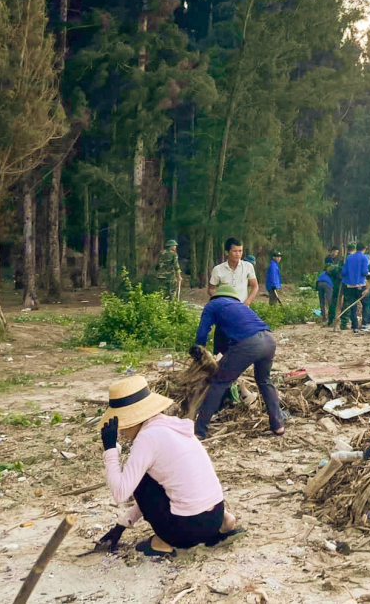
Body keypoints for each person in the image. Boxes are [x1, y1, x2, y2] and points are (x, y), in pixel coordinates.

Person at [95, 375, 241, 557]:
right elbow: (164, 489)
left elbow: (120, 493)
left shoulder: (147, 438)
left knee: (141, 482)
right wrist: (123, 524)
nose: (122, 433)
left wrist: (110, 450)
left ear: (134, 420)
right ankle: (227, 521)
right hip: (217, 517)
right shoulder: (174, 426)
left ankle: (163, 543)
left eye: (122, 426)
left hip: (187, 532)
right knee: (164, 478)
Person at [192, 284, 284, 439]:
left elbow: (202, 333)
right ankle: (278, 425)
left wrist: (198, 355)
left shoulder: (212, 305)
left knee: (219, 381)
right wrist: (220, 356)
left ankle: (199, 431)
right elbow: (222, 338)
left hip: (249, 344)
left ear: (216, 296)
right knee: (264, 380)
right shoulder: (240, 307)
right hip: (269, 340)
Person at [208, 238, 259, 356]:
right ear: (227, 252)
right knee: (221, 344)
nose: (238, 254)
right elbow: (211, 288)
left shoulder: (248, 267)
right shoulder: (218, 269)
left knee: (243, 342)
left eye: (240, 251)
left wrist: (247, 303)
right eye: (235, 251)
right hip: (224, 311)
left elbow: (255, 286)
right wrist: (219, 300)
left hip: (242, 310)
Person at [340, 242, 368, 332]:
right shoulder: (364, 257)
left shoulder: (349, 257)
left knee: (353, 306)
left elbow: (343, 272)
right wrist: (368, 274)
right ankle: (364, 324)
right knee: (366, 304)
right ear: (364, 249)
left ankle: (354, 326)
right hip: (361, 284)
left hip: (349, 285)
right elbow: (364, 272)